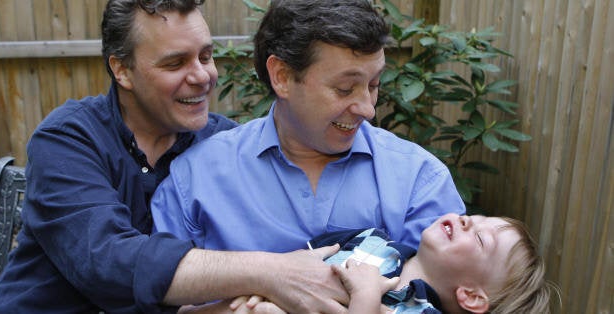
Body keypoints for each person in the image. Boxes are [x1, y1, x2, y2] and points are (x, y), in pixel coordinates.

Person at [0, 1, 351, 313]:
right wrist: (269, 272)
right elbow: (106, 260)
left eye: (206, 56)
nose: (203, 76)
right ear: (122, 70)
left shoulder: (225, 145)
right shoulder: (69, 138)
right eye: (176, 63)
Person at [152, 0, 465, 254]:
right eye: (345, 89)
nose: (368, 109)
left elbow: (444, 295)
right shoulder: (194, 182)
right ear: (283, 77)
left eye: (373, 84)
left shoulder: (420, 182)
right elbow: (163, 297)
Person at [319, 213, 552, 313]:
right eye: (473, 217)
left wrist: (366, 297)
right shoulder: (371, 238)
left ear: (471, 296)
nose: (465, 221)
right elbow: (296, 265)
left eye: (481, 239)